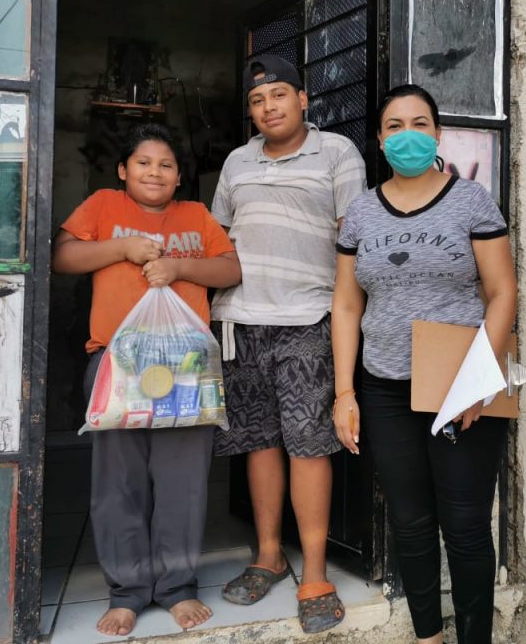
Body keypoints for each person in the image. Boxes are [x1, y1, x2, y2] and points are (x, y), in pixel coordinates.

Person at [331, 84, 517, 644]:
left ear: (438, 134)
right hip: (384, 387)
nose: (407, 135)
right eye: (394, 126)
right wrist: (345, 392)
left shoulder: (472, 200)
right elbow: (346, 304)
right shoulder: (361, 211)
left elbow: (502, 292)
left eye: (419, 124)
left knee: (464, 524)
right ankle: (427, 638)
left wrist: (478, 382)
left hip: (459, 384)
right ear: (379, 139)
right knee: (409, 523)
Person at [52, 123, 242, 637]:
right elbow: (62, 256)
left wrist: (178, 266)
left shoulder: (195, 215)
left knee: (182, 482)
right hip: (118, 362)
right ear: (123, 170)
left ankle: (177, 588)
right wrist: (123, 248)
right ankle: (128, 591)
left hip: (185, 366)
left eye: (166, 165)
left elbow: (231, 270)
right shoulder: (102, 207)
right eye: (143, 163)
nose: (154, 172)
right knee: (120, 483)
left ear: (179, 176)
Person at [210, 54, 366, 634]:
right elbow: (217, 238)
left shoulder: (338, 153)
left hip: (308, 317)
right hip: (240, 319)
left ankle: (315, 573)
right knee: (259, 442)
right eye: (257, 100)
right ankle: (270, 555)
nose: (268, 107)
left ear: (303, 99)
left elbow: (353, 241)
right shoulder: (237, 161)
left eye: (278, 95)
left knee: (308, 445)